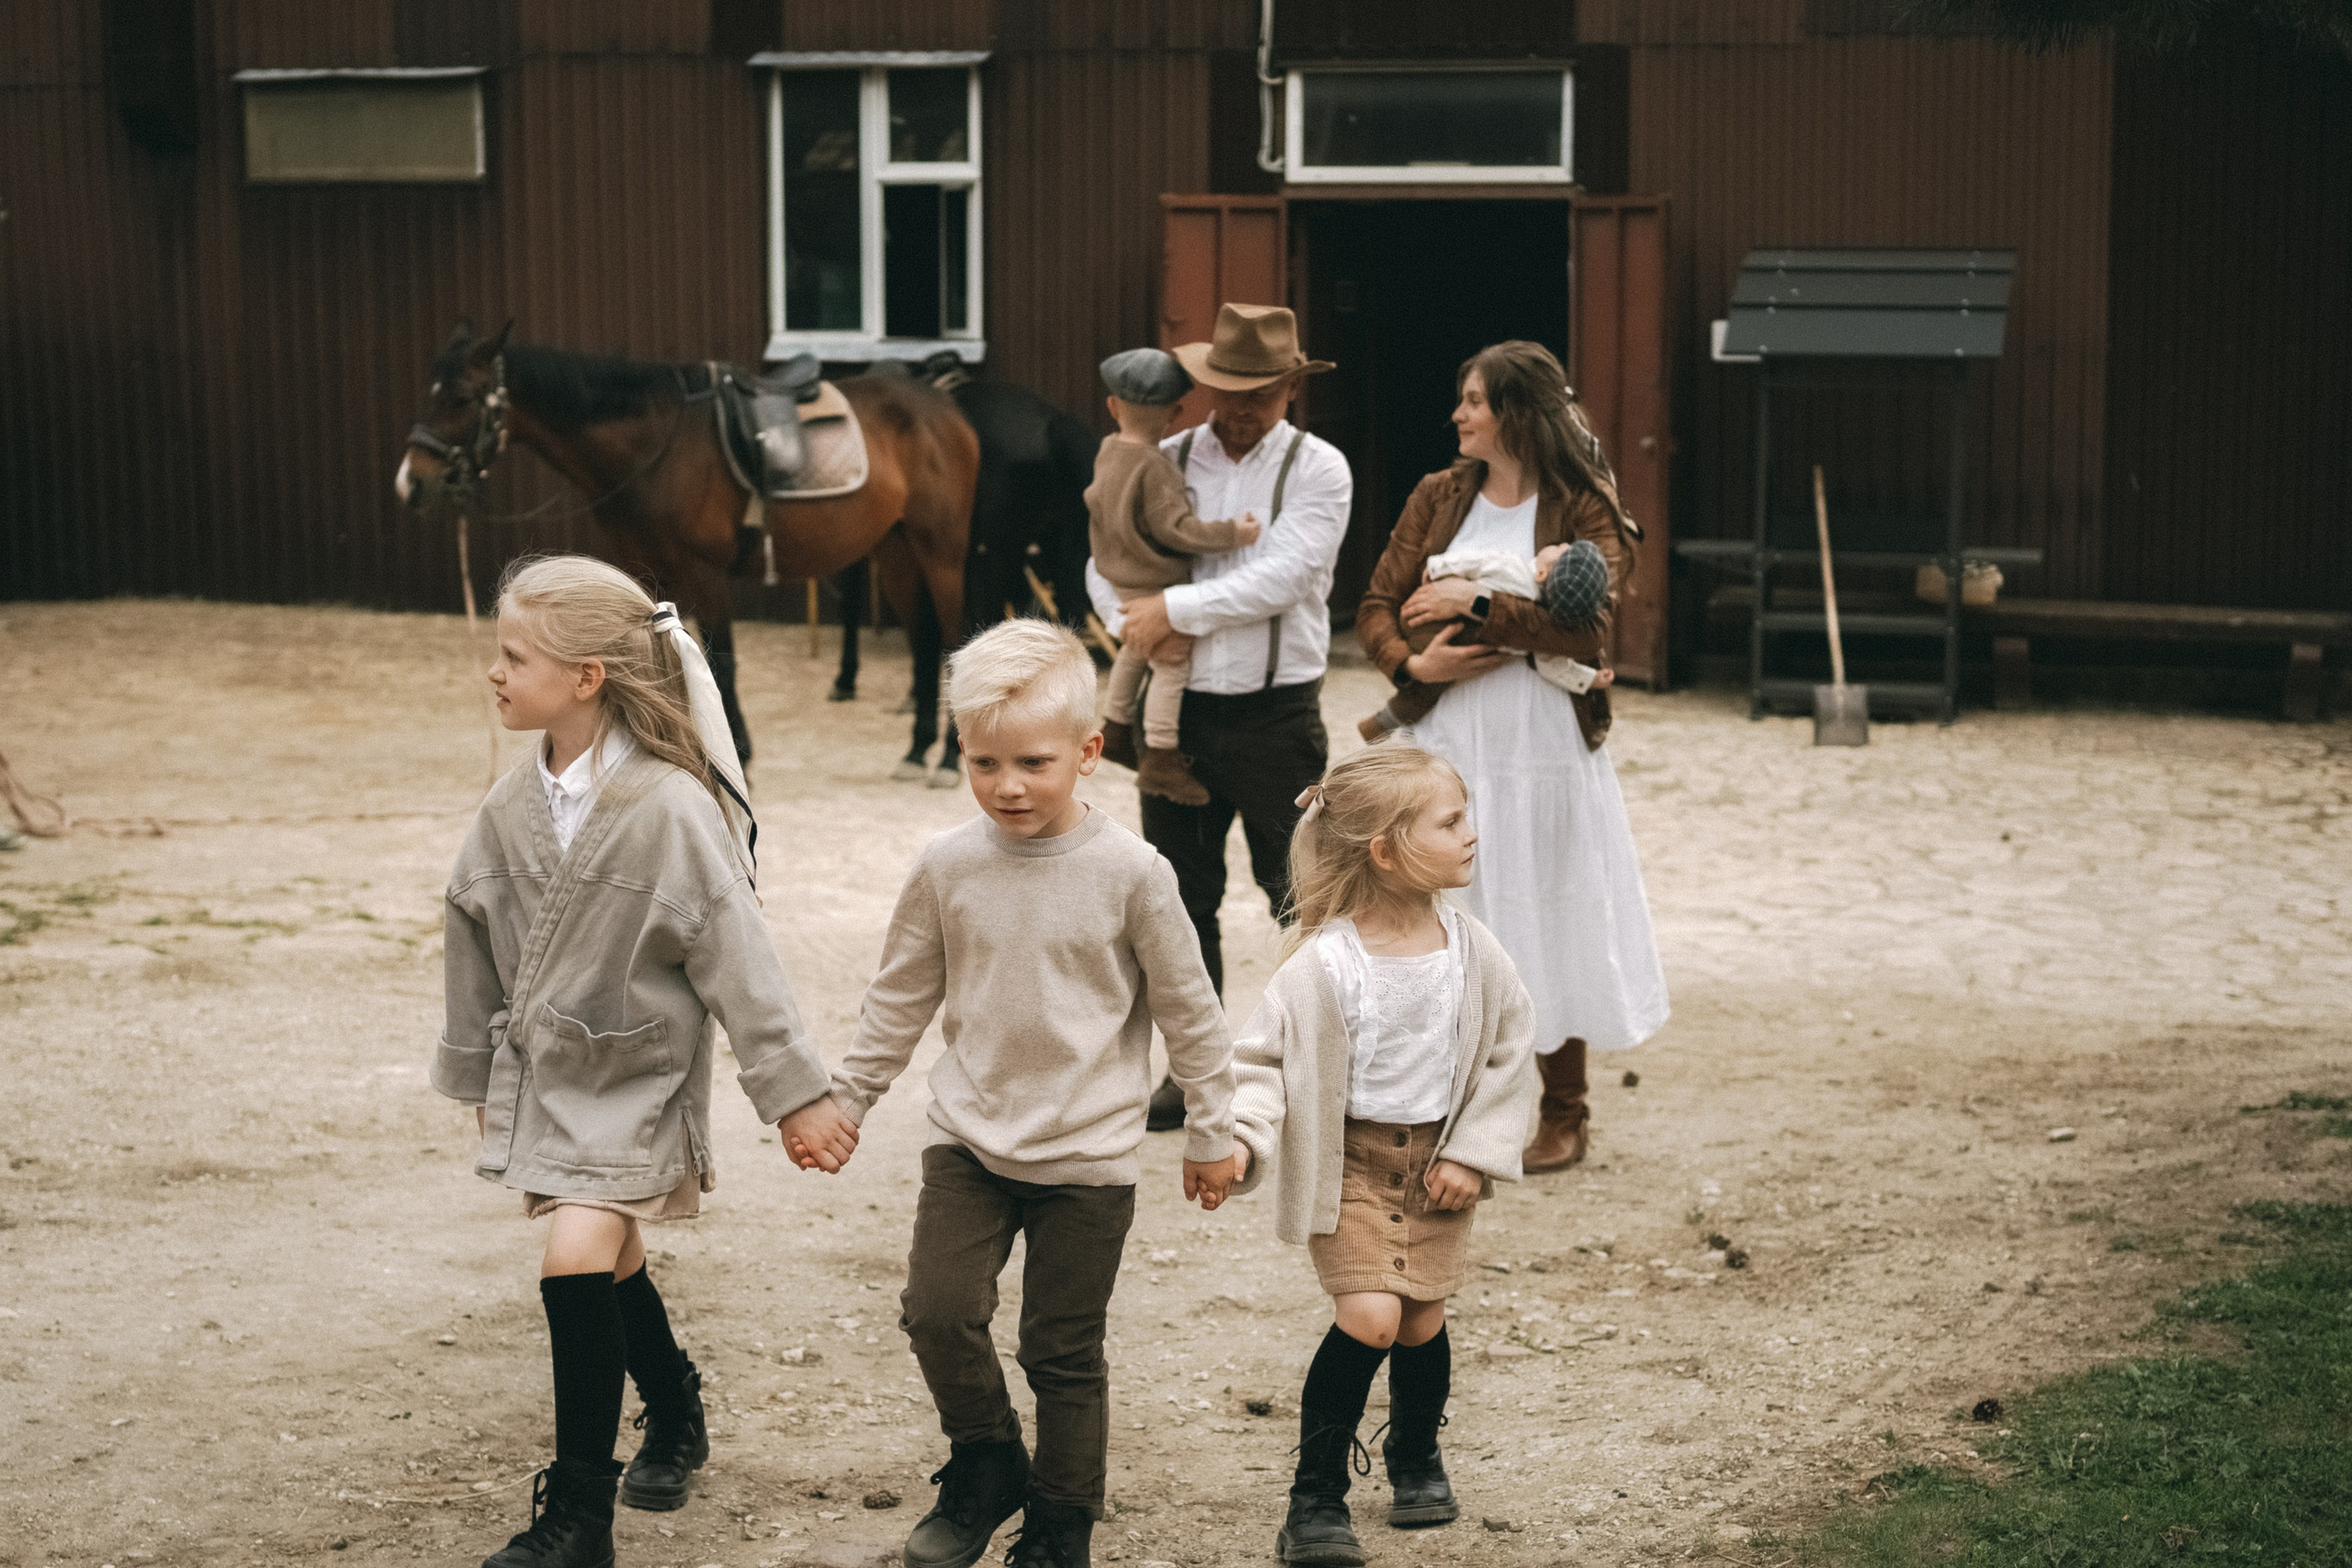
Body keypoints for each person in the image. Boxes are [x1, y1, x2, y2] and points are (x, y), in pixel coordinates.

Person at [432, 555, 856, 1568]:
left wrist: (794, 1095)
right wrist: (477, 1077)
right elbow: (469, 932)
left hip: (640, 1074)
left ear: (586, 676)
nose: (494, 673)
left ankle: (579, 1521)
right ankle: (674, 1409)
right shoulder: (507, 807)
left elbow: (735, 951)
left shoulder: (671, 807)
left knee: (574, 1250)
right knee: (611, 1255)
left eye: (514, 655)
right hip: (550, 1076)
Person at [822, 618, 1243, 1568]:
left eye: (1033, 763)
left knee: (1060, 1352)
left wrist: (1213, 1130)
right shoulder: (946, 866)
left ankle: (1060, 1525)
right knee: (936, 1310)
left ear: (1090, 753)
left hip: (1087, 1158)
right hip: (968, 1142)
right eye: (983, 763)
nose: (1007, 786)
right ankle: (985, 1462)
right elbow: (900, 993)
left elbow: (1192, 1012)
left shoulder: (1134, 874)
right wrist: (850, 1098)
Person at [1356, 340, 1668, 1173]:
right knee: (1453, 911)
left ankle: (1564, 1107)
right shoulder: (1437, 495)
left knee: (1554, 903)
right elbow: (1377, 604)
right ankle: (1446, 1109)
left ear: (1516, 412)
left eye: (1474, 400)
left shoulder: (1583, 502)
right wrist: (1412, 663)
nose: (1458, 415)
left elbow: (1590, 627)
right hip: (1452, 734)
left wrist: (1479, 603)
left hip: (1544, 741)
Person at [1227, 745, 1535, 1567]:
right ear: (1386, 849)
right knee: (1371, 1316)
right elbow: (1261, 1063)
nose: (1472, 833)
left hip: (1438, 1165)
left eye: (1465, 814)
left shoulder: (1475, 952)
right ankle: (1315, 1496)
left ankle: (1414, 1456)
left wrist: (1472, 1153)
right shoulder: (1324, 963)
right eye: (1450, 820)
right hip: (1350, 1164)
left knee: (1423, 1318)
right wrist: (1242, 1141)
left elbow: (1511, 1052)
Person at [1084, 303, 1353, 1132]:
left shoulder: (1319, 469)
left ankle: (1307, 1071)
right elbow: (1101, 555)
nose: (1241, 408)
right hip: (1183, 721)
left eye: (1261, 392)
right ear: (1203, 386)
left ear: (1291, 389)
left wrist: (1172, 607)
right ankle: (1194, 1074)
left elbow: (1285, 576)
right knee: (1176, 902)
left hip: (1279, 718)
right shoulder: (1158, 456)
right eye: (1228, 390)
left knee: (1305, 895)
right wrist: (1134, 614)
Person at [1085, 345, 1262, 805]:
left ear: (1112, 406)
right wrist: (1234, 534)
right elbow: (1175, 529)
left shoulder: (1107, 452)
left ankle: (1116, 725)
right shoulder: (1156, 466)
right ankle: (1161, 756)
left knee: (1135, 647)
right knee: (1171, 659)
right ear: (1177, 413)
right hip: (1153, 578)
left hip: (1118, 575)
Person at [1356, 536, 1614, 741]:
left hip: (1431, 626)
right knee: (1433, 687)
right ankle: (1386, 721)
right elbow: (1550, 665)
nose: (1563, 543)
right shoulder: (1539, 625)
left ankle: (1384, 722)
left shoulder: (1513, 569)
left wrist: (1437, 567)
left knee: (1435, 681)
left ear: (1541, 574)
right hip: (1442, 626)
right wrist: (1588, 679)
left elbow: (1475, 562)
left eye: (1560, 549)